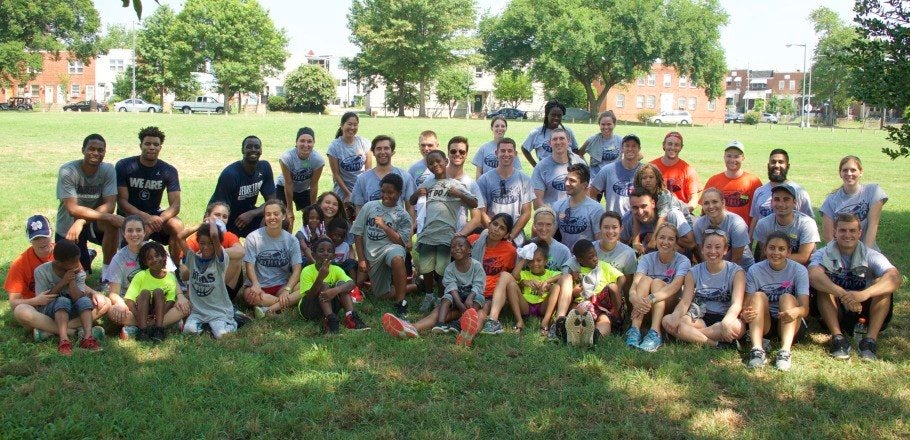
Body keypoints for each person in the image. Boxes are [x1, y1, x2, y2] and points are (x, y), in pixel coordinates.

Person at [809, 213, 902, 361]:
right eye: (843, 230)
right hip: (836, 309)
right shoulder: (823, 253)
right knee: (823, 285)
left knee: (883, 285)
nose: (847, 235)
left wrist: (863, 294)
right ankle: (837, 338)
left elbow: (895, 277)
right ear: (835, 232)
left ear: (860, 233)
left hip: (865, 309)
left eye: (852, 231)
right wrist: (842, 293)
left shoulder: (871, 254)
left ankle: (870, 340)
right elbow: (813, 275)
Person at [9, 215, 111, 341]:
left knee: (105, 302)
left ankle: (50, 331)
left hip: (70, 304)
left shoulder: (66, 251)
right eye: (36, 238)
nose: (42, 241)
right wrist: (36, 300)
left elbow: (77, 280)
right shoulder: (20, 264)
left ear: (51, 234)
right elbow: (13, 302)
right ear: (30, 240)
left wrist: (94, 293)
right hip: (41, 311)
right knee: (20, 310)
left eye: (44, 236)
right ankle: (74, 331)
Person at [381, 236, 484, 347]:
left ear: (469, 250)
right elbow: (451, 287)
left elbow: (479, 284)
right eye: (453, 247)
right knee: (439, 310)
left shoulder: (476, 266)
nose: (456, 248)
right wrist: (459, 303)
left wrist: (469, 299)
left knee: (477, 307)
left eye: (460, 246)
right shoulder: (450, 268)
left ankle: (460, 326)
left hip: (473, 302)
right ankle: (412, 328)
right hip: (456, 299)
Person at [487, 207, 572, 335]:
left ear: (554, 226)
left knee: (567, 278)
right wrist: (524, 282)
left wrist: (548, 283)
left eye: (548, 224)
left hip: (548, 298)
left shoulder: (563, 250)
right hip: (525, 298)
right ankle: (492, 320)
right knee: (505, 275)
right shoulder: (526, 246)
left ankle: (559, 321)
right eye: (540, 224)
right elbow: (515, 278)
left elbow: (565, 279)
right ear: (534, 225)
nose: (544, 228)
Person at [409, 149, 478, 298]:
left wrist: (459, 194)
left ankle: (441, 297)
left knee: (442, 269)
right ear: (428, 166)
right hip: (428, 233)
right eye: (431, 163)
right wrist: (417, 193)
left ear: (446, 162)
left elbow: (474, 202)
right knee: (426, 267)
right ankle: (429, 296)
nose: (435, 165)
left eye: (438, 161)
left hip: (446, 234)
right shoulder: (428, 183)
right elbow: (412, 201)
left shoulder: (455, 184)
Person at [107, 215, 189, 338]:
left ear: (145, 232)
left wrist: (181, 297)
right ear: (123, 233)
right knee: (112, 311)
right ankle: (161, 325)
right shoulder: (119, 258)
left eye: (138, 230)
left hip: (161, 302)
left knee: (186, 304)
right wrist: (120, 303)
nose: (134, 234)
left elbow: (171, 278)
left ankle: (139, 328)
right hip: (132, 305)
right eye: (130, 230)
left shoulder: (157, 250)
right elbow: (114, 293)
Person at [663, 230, 747, 348]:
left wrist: (726, 322)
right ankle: (715, 344)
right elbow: (685, 302)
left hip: (726, 316)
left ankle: (687, 335)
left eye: (718, 247)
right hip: (701, 318)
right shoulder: (693, 272)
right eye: (708, 246)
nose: (713, 251)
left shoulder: (736, 271)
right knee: (667, 320)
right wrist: (675, 316)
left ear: (725, 250)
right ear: (702, 249)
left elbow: (736, 303)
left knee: (736, 328)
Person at [115, 126, 184, 266]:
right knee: (138, 231)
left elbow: (175, 205)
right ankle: (130, 269)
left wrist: (158, 219)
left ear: (160, 147)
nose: (151, 147)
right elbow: (122, 201)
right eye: (147, 143)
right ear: (140, 145)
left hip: (155, 215)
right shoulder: (125, 166)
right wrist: (146, 218)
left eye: (156, 144)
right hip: (130, 214)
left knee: (177, 225)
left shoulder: (168, 170)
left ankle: (176, 270)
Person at [741, 232, 810, 370]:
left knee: (787, 297)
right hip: (763, 322)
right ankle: (757, 349)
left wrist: (796, 311)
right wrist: (745, 313)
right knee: (758, 295)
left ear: (789, 252)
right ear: (765, 249)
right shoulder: (755, 270)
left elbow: (805, 308)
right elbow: (747, 303)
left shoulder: (799, 270)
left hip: (789, 321)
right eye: (772, 248)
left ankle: (785, 351)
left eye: (781, 249)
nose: (776, 252)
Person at [56, 133, 123, 276]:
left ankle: (107, 275)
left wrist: (82, 220)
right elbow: (72, 209)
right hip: (69, 225)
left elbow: (110, 205)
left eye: (100, 150)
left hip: (91, 223)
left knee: (112, 223)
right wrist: (79, 220)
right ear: (83, 150)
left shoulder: (108, 170)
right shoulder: (68, 170)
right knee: (79, 277)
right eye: (91, 149)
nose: (96, 153)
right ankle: (88, 255)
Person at [352, 174, 415, 317]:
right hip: (372, 254)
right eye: (383, 191)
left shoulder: (403, 216)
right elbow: (358, 233)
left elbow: (401, 242)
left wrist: (384, 226)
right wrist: (361, 258)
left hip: (391, 247)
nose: (385, 195)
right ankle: (415, 286)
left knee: (397, 258)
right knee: (381, 294)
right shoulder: (369, 207)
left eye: (390, 192)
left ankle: (401, 302)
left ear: (399, 193)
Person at [31, 240, 105, 355]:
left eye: (78, 260)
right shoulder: (41, 271)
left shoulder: (78, 272)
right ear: (60, 262)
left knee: (85, 300)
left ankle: (87, 338)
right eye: (73, 262)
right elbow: (43, 301)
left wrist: (71, 281)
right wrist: (63, 281)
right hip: (49, 310)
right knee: (62, 300)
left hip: (72, 308)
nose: (77, 264)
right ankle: (64, 340)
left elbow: (78, 298)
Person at [626, 223, 691, 352]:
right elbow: (636, 281)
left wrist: (650, 298)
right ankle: (635, 330)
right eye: (662, 237)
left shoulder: (683, 260)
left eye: (671, 239)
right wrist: (632, 295)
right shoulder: (647, 258)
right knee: (645, 280)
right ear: (655, 239)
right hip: (647, 306)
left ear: (676, 243)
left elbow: (675, 285)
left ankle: (655, 332)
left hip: (669, 305)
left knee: (657, 283)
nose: (665, 242)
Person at [242, 200, 303, 317]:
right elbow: (249, 266)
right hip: (258, 288)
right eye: (268, 214)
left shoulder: (292, 240)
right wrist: (255, 284)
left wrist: (287, 290)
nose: (272, 217)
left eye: (276, 213)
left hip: (282, 286)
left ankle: (268, 309)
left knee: (306, 287)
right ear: (264, 217)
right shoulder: (253, 238)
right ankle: (283, 304)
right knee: (249, 295)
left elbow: (297, 269)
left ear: (283, 216)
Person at [179, 219, 237, 339]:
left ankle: (234, 321)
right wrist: (200, 225)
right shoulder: (192, 259)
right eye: (202, 243)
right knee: (188, 331)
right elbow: (180, 237)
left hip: (218, 311)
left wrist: (211, 221)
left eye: (210, 243)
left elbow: (215, 236)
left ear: (217, 244)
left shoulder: (220, 261)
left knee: (221, 335)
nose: (206, 247)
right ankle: (205, 327)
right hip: (198, 311)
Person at [209, 135, 276, 238]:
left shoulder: (265, 167)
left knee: (278, 219)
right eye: (249, 147)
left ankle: (264, 248)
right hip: (226, 217)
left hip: (248, 214)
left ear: (261, 150)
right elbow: (219, 209)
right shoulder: (230, 174)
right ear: (242, 150)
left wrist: (252, 213)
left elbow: (272, 202)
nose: (253, 150)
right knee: (220, 233)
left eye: (257, 147)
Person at [298, 237, 369, 334]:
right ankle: (330, 322)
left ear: (334, 256)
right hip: (309, 308)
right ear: (314, 255)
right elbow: (309, 296)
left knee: (342, 284)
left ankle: (351, 317)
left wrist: (336, 290)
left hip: (329, 305)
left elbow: (351, 284)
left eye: (329, 251)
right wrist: (320, 277)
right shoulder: (307, 270)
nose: (326, 253)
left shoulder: (336, 269)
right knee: (324, 285)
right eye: (321, 250)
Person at [561, 239, 624, 347]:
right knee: (585, 313)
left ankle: (601, 331)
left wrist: (617, 294)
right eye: (590, 257)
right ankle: (582, 334)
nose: (595, 259)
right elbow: (572, 295)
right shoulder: (577, 272)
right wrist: (575, 291)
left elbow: (621, 278)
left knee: (612, 289)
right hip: (587, 304)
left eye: (595, 255)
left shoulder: (603, 266)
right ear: (580, 260)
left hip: (604, 303)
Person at [487, 242, 561, 333]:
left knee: (556, 287)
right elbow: (514, 275)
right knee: (512, 285)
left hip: (543, 306)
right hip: (525, 306)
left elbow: (563, 276)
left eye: (539, 260)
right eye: (531, 261)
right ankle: (519, 321)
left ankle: (545, 322)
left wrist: (547, 283)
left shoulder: (551, 274)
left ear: (546, 261)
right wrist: (524, 281)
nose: (535, 264)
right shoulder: (525, 273)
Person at [179, 202, 245, 301]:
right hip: (201, 285)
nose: (220, 219)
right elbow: (184, 274)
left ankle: (222, 296)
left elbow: (241, 252)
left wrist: (212, 254)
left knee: (236, 259)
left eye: (224, 217)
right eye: (217, 215)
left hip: (223, 285)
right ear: (207, 216)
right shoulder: (195, 239)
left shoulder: (229, 236)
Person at [820, 155, 887, 250]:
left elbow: (873, 225)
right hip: (840, 253)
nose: (849, 173)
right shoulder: (831, 199)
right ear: (840, 173)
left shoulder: (873, 191)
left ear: (861, 172)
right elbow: (828, 236)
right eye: (845, 170)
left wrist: (865, 254)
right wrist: (839, 257)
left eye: (853, 170)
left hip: (868, 250)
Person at [476, 138, 533, 245]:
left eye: (509, 151)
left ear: (515, 153)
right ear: (496, 153)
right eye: (502, 151)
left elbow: (526, 213)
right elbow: (481, 212)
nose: (506, 154)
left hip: (515, 236)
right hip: (491, 235)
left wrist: (510, 236)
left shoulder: (524, 180)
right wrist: (495, 233)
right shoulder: (484, 180)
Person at [124, 241, 181, 342]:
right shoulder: (141, 275)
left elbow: (171, 300)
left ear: (163, 257)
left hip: (160, 312)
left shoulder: (170, 277)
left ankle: (158, 330)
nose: (154, 259)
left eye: (157, 256)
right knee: (145, 292)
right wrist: (138, 316)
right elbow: (129, 299)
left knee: (158, 292)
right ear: (145, 262)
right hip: (141, 311)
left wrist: (158, 315)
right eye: (149, 258)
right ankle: (143, 330)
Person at [630, 163, 693, 255]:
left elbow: (662, 218)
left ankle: (689, 256)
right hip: (658, 220)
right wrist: (636, 241)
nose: (648, 180)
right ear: (639, 181)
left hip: (678, 217)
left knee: (676, 238)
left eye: (651, 177)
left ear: (657, 179)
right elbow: (636, 218)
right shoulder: (641, 194)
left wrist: (654, 239)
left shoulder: (663, 195)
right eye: (644, 178)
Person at [351, 135, 415, 219]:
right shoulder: (362, 179)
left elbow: (410, 207)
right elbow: (359, 209)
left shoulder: (405, 177)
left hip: (396, 230)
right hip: (371, 230)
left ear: (392, 152)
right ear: (373, 152)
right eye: (378, 148)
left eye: (386, 148)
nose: (382, 152)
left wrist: (409, 230)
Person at [749, 148, 813, 233]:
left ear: (788, 166)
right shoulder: (759, 191)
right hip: (764, 243)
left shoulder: (799, 192)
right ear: (768, 165)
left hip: (791, 243)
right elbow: (755, 218)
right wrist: (749, 244)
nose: (776, 165)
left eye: (781, 162)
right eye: (773, 162)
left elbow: (809, 223)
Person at [752, 185, 819, 265]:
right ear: (771, 202)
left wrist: (776, 258)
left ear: (794, 203)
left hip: (802, 269)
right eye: (777, 199)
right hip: (773, 267)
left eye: (786, 199)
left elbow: (803, 257)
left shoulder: (807, 224)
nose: (781, 204)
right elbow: (764, 253)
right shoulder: (763, 224)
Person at [703, 140, 762, 227]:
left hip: (742, 232)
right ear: (724, 157)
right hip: (716, 232)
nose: (732, 160)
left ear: (743, 158)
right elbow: (704, 211)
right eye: (729, 156)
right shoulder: (713, 180)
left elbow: (757, 213)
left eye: (736, 156)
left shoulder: (753, 181)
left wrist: (750, 235)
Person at [277, 127, 325, 232]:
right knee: (287, 219)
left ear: (314, 143)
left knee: (313, 217)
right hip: (283, 187)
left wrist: (313, 207)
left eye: (309, 141)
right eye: (302, 141)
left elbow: (314, 185)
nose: (306, 145)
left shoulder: (318, 160)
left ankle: (310, 241)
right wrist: (289, 209)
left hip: (303, 189)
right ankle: (287, 243)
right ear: (296, 142)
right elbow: (288, 184)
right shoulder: (286, 158)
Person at [621, 187, 696, 255]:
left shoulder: (672, 215)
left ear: (653, 203)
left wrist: (659, 238)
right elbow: (620, 244)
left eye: (644, 206)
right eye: (635, 207)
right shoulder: (628, 219)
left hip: (678, 263)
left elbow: (691, 244)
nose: (640, 212)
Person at [693, 188, 754, 269]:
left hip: (742, 268)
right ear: (702, 206)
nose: (711, 206)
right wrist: (708, 272)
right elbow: (702, 253)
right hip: (714, 267)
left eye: (715, 202)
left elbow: (737, 259)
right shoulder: (699, 224)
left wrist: (721, 277)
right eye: (706, 203)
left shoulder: (736, 224)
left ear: (723, 203)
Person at [552, 163, 604, 250]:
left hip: (586, 259)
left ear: (584, 184)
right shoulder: (558, 206)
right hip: (565, 257)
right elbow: (550, 234)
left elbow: (600, 241)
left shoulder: (596, 209)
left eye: (572, 181)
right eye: (566, 179)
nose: (567, 183)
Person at [588, 134, 643, 217]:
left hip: (638, 221)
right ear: (622, 149)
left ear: (639, 149)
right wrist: (598, 212)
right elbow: (591, 193)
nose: (630, 149)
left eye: (634, 146)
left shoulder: (644, 171)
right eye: (627, 146)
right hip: (614, 223)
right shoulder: (608, 170)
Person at [530, 128, 585, 208]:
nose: (558, 142)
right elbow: (537, 203)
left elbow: (587, 194)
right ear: (550, 143)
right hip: (551, 216)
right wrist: (551, 215)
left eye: (562, 138)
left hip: (576, 215)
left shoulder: (580, 163)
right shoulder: (541, 167)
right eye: (555, 139)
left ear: (569, 142)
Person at [327, 112, 373, 205]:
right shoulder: (334, 147)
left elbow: (368, 171)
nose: (352, 128)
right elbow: (336, 175)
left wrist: (362, 191)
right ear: (342, 126)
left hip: (361, 188)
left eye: (355, 125)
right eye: (349, 124)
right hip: (342, 191)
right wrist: (348, 194)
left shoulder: (364, 143)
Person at [650, 131, 700, 212]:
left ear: (681, 147)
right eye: (669, 144)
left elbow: (694, 199)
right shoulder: (651, 167)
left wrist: (684, 212)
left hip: (680, 212)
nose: (673, 147)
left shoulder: (688, 170)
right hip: (655, 212)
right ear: (664, 145)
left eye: (676, 145)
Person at [521, 100, 579, 166]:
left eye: (559, 115)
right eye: (553, 115)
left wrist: (574, 166)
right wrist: (535, 165)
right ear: (547, 115)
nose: (556, 118)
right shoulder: (537, 133)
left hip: (566, 171)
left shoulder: (567, 131)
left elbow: (575, 150)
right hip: (545, 172)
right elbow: (524, 148)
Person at [577, 110, 622, 177]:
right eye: (603, 124)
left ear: (614, 125)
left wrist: (622, 165)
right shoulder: (592, 140)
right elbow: (579, 154)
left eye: (609, 124)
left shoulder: (620, 140)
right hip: (595, 179)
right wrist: (586, 168)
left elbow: (638, 156)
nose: (606, 127)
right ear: (599, 125)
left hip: (613, 178)